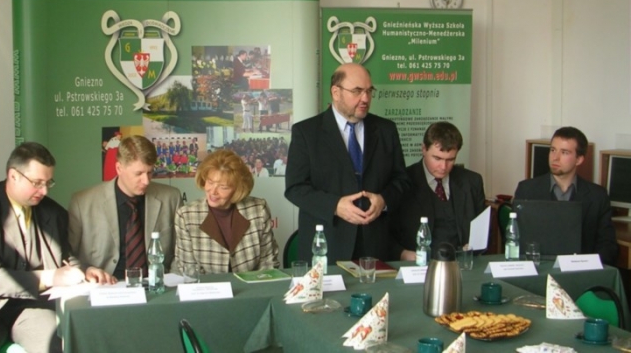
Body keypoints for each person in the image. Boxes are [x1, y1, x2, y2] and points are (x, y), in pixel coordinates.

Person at [0, 142, 115, 353]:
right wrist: (51, 277)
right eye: (37, 183)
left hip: (30, 306)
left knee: (58, 347)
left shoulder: (54, 213)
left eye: (48, 183)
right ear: (13, 175)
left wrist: (86, 270)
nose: (44, 191)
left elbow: (64, 257)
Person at [285, 63, 411, 264]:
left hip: (375, 246)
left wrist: (383, 200)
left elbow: (401, 180)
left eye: (369, 91)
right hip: (327, 245)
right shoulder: (307, 132)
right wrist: (335, 206)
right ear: (336, 92)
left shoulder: (386, 130)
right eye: (357, 91)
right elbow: (295, 188)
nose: (365, 99)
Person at [69, 135, 182, 278]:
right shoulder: (83, 203)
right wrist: (86, 271)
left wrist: (172, 280)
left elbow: (182, 251)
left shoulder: (171, 198)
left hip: (158, 283)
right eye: (138, 173)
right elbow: (68, 254)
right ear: (119, 168)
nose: (146, 181)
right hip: (105, 284)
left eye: (150, 172)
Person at [514, 126, 618, 265]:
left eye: (564, 152)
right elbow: (515, 240)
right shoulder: (527, 190)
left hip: (581, 271)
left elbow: (608, 245)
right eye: (553, 150)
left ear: (579, 159)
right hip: (539, 269)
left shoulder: (597, 196)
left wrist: (588, 266)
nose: (555, 158)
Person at [389, 122, 486, 260]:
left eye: (450, 159)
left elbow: (482, 231)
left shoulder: (472, 182)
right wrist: (402, 253)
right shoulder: (402, 182)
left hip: (462, 263)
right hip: (418, 264)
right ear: (423, 149)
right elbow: (385, 232)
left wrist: (473, 247)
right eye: (437, 158)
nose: (443, 167)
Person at [174, 149, 280, 274]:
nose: (213, 192)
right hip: (206, 286)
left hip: (252, 284)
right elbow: (189, 271)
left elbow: (268, 263)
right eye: (210, 182)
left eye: (223, 187)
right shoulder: (186, 216)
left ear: (238, 189)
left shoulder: (258, 210)